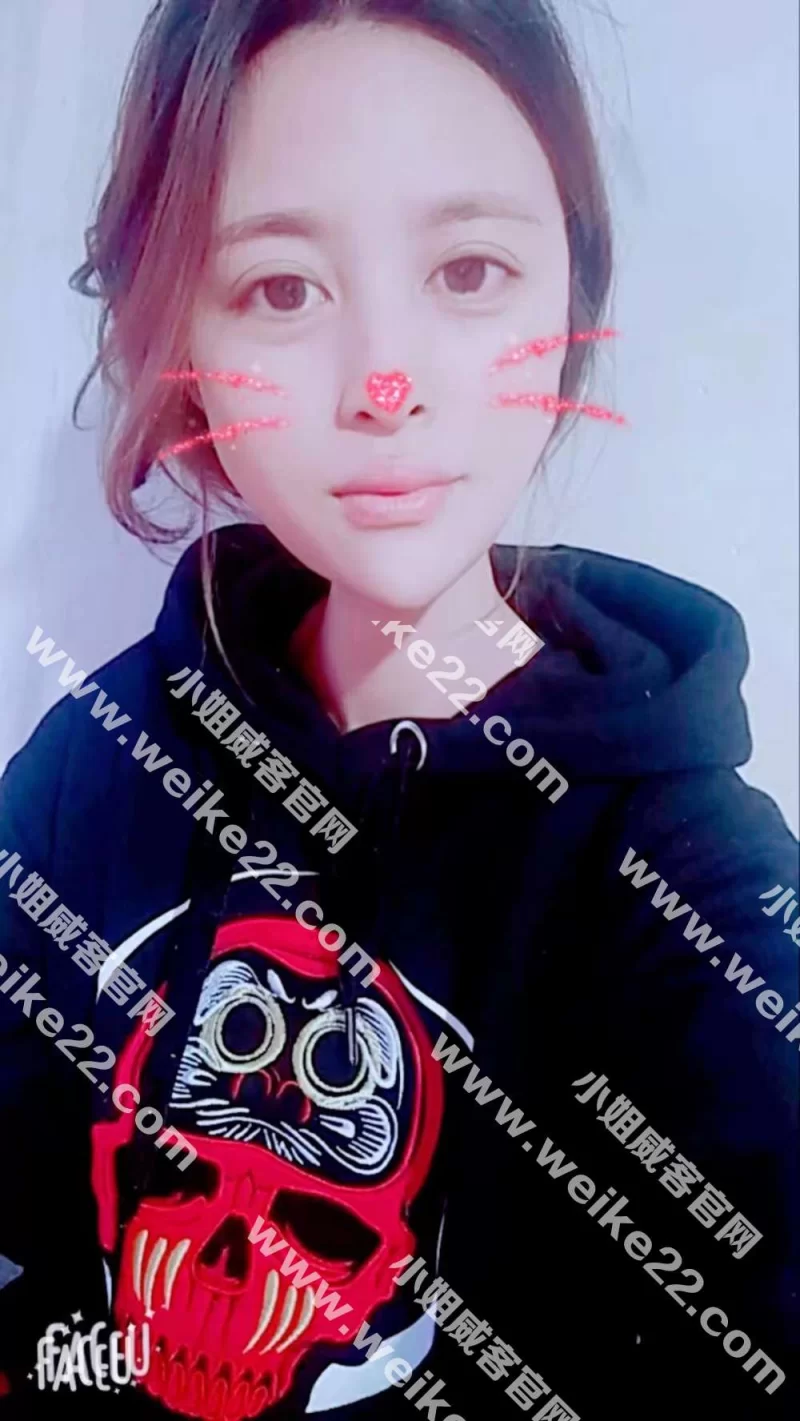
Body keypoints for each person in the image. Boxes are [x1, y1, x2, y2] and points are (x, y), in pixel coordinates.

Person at [0, 2, 797, 1418]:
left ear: (569, 296)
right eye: (281, 289)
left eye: (469, 271)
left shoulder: (682, 882)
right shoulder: (100, 753)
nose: (387, 385)